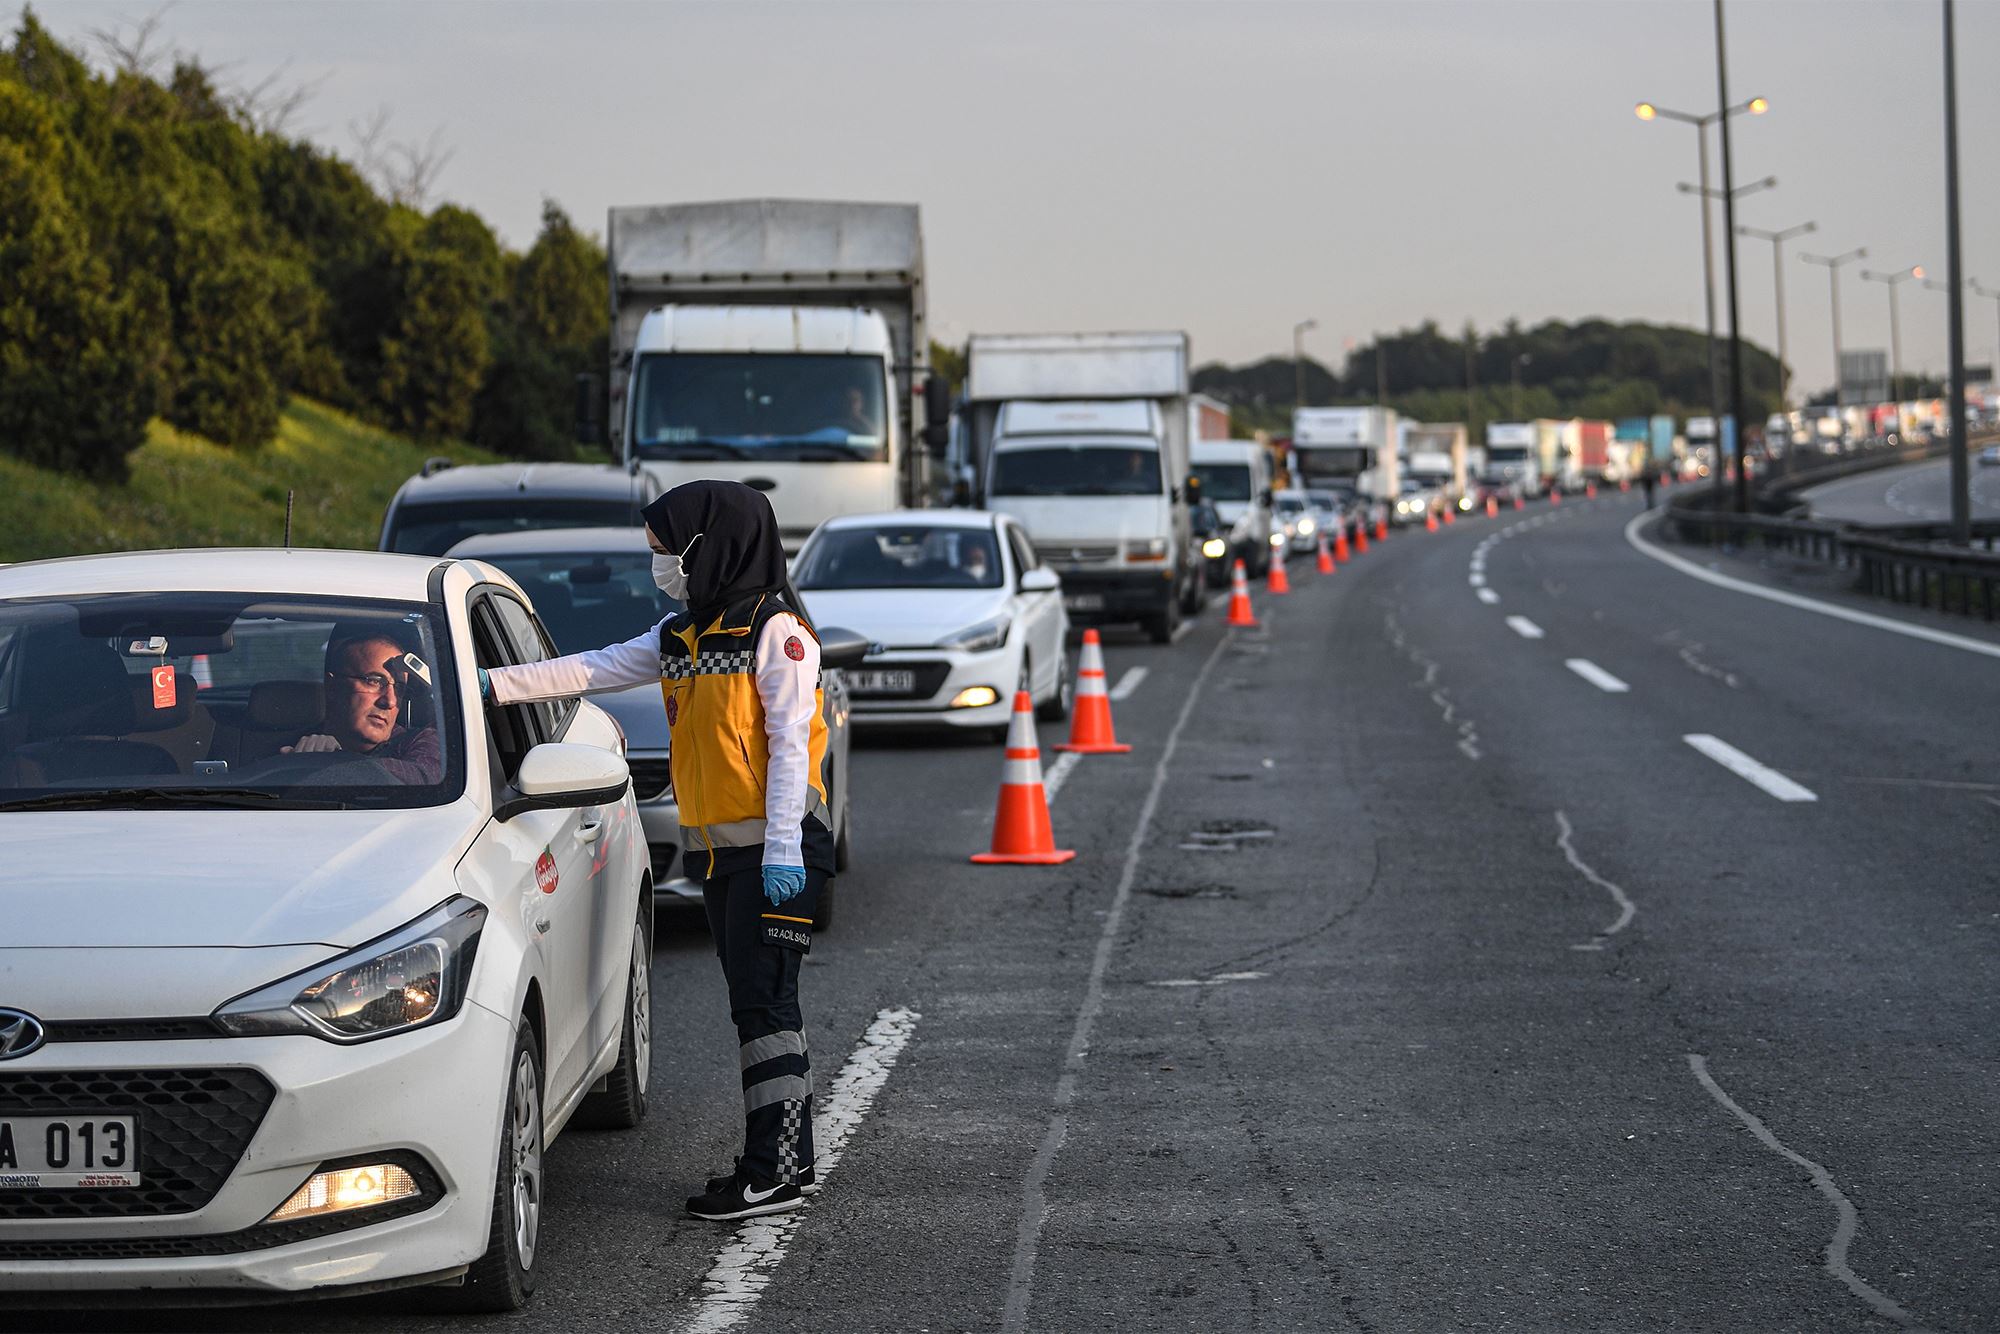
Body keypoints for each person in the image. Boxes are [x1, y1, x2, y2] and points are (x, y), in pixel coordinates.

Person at [479, 479, 834, 1222]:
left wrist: (780, 855)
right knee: (763, 1009)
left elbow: (791, 751)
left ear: (711, 546)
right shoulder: (684, 635)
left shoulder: (778, 633)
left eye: (667, 551)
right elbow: (591, 668)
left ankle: (769, 1172)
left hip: (775, 854)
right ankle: (787, 1162)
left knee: (764, 1009)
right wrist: (486, 683)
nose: (661, 564)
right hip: (720, 855)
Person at [284, 630, 441, 784]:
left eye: (399, 689)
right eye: (374, 681)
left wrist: (333, 759)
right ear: (333, 686)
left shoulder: (421, 742)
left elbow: (426, 778)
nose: (390, 701)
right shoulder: (290, 745)